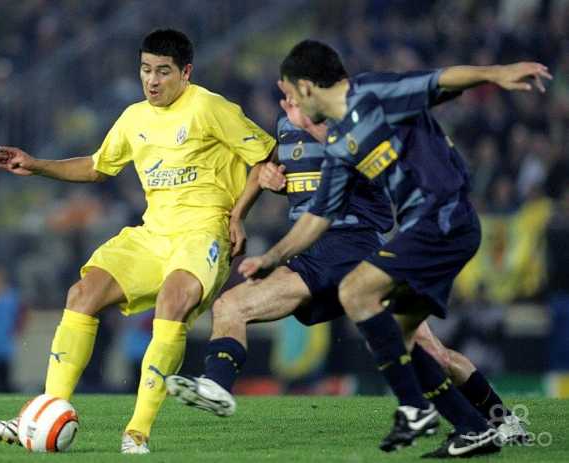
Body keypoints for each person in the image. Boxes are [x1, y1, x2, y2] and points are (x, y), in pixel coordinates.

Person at [239, 40, 551, 457]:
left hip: (442, 218)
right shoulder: (341, 142)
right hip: (423, 231)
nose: (287, 104)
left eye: (290, 94)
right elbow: (319, 216)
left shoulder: (372, 94)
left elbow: (440, 81)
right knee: (412, 342)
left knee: (357, 293)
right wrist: (272, 258)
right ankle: (484, 424)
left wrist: (496, 73)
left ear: (307, 88)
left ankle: (415, 410)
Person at [0, 29, 276, 454]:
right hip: (152, 234)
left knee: (173, 299)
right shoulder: (134, 117)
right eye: (145, 70)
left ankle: (137, 433)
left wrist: (238, 215)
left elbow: (266, 158)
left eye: (163, 71)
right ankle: (43, 413)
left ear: (186, 72)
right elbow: (97, 167)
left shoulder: (210, 107)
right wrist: (37, 165)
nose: (152, 81)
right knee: (82, 293)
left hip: (202, 232)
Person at [166, 113, 525, 444]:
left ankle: (500, 421)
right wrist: (260, 189)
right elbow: (267, 165)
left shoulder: (351, 122)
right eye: (284, 95)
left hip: (357, 247)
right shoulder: (286, 125)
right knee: (230, 306)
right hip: (312, 254)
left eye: (293, 93)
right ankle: (215, 385)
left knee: (431, 353)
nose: (287, 103)